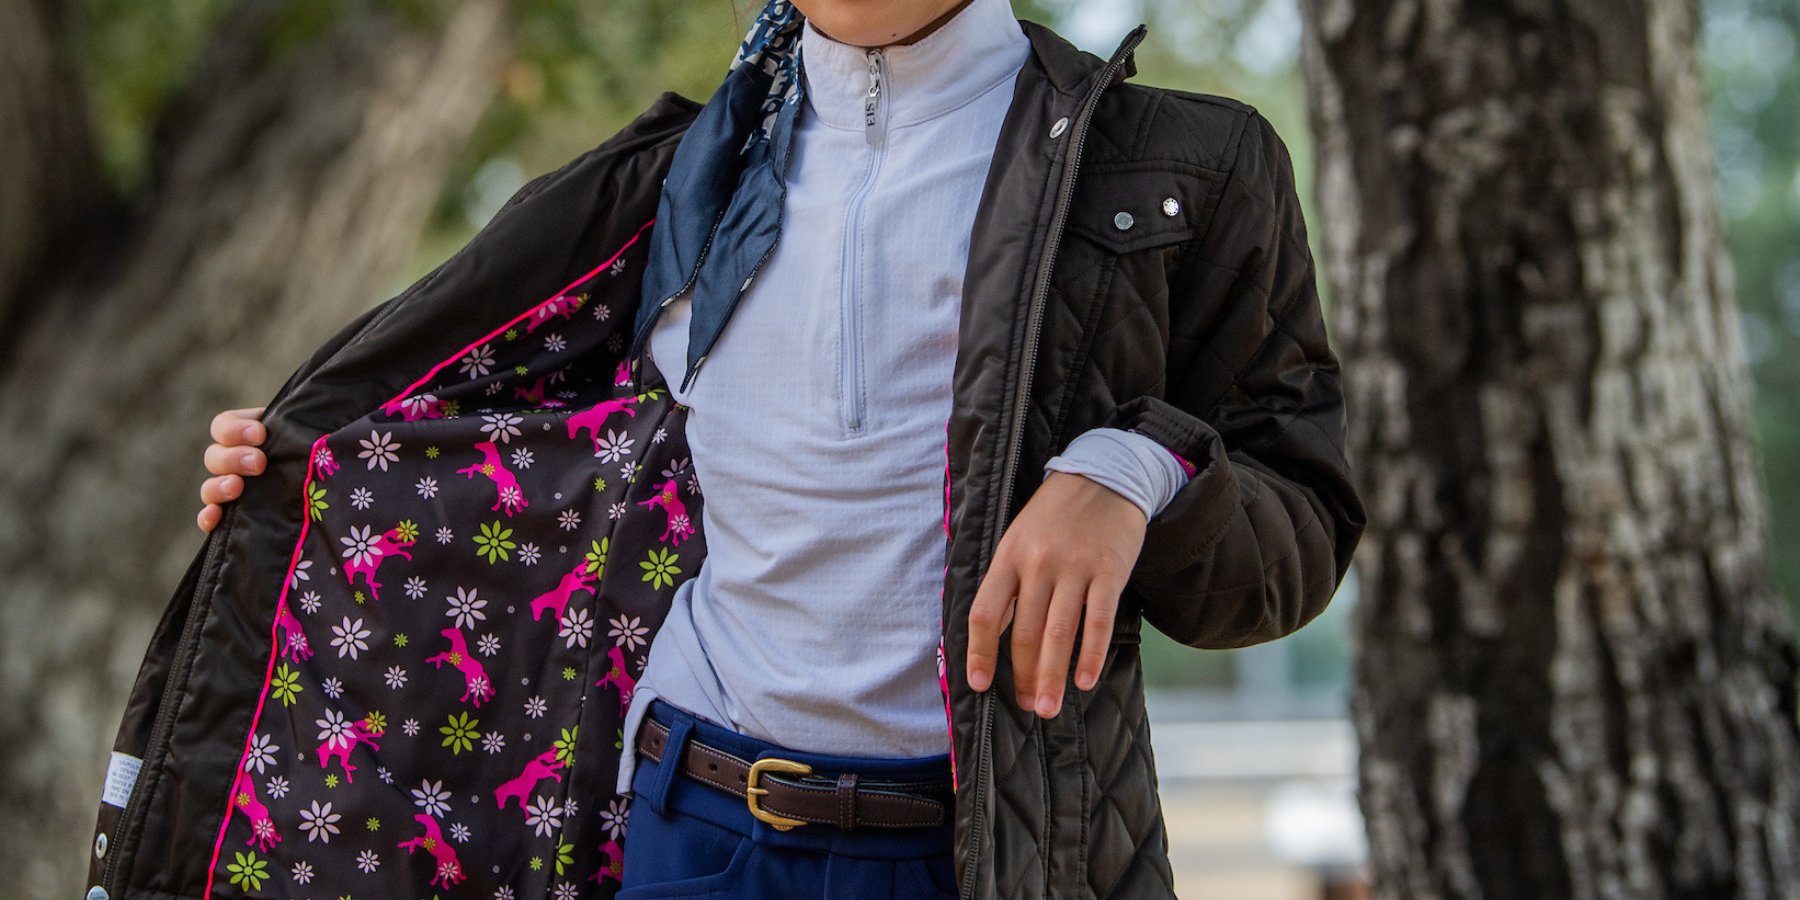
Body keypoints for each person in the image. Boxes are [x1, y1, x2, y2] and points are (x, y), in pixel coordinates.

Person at [195, 0, 1364, 896]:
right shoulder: (672, 181)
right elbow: (518, 449)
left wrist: (1133, 469)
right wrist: (297, 474)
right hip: (689, 833)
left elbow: (1296, 524)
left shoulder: (1185, 169)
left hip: (994, 850)